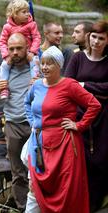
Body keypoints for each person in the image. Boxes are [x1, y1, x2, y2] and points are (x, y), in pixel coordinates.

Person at [24, 46, 101, 213]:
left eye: (49, 64)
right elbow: (27, 103)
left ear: (59, 65)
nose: (44, 67)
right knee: (40, 186)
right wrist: (33, 122)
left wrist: (79, 125)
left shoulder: (69, 85)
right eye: (42, 63)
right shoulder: (36, 85)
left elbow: (94, 105)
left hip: (66, 144)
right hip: (41, 142)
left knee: (67, 188)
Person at [65, 20, 108, 212]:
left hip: (105, 118)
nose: (97, 41)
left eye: (102, 38)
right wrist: (95, 90)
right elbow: (68, 85)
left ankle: (96, 205)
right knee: (80, 160)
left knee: (101, 160)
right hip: (80, 116)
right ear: (88, 37)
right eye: (94, 36)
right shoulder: (77, 59)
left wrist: (85, 85)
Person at [0, 33, 32, 212]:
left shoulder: (37, 66)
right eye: (11, 48)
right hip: (12, 124)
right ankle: (23, 208)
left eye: (19, 48)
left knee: (39, 168)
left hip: (34, 124)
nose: (14, 52)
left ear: (27, 47)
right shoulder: (3, 70)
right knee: (18, 171)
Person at [0, 0, 41, 99]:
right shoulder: (7, 27)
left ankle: (34, 84)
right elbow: (2, 42)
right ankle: (4, 88)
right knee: (4, 65)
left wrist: (33, 52)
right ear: (15, 14)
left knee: (35, 63)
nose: (28, 14)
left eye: (28, 11)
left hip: (29, 52)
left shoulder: (31, 24)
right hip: (14, 54)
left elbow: (37, 38)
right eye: (24, 12)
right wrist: (6, 55)